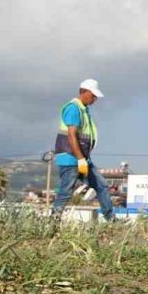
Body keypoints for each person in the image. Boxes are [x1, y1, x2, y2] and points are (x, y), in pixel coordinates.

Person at [51, 79, 114, 221]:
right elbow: (71, 135)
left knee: (102, 186)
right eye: (93, 95)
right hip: (71, 158)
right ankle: (53, 221)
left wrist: (83, 159)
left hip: (82, 158)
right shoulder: (74, 108)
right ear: (83, 92)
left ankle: (111, 219)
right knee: (66, 192)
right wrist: (80, 159)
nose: (95, 98)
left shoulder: (83, 110)